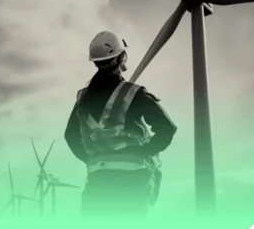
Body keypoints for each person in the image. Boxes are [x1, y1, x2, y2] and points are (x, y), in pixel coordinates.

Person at [64, 31, 177, 220]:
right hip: (132, 182)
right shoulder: (134, 94)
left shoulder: (82, 98)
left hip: (98, 181)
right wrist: (146, 151)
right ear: (122, 56)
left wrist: (90, 158)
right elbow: (167, 128)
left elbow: (70, 135)